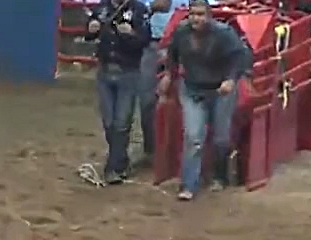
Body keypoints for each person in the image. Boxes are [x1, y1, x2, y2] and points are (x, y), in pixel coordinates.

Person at [158, 0, 251, 200]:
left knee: (221, 137)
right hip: (192, 88)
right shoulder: (181, 32)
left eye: (200, 14)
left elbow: (241, 57)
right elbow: (172, 55)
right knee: (193, 137)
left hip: (220, 90)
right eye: (193, 14)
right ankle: (188, 184)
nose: (196, 18)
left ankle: (220, 175)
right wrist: (168, 75)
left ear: (209, 16)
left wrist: (231, 79)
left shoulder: (224, 33)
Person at [136, 0, 217, 166]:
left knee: (192, 98)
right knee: (148, 99)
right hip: (154, 42)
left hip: (191, 43)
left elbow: (213, 6)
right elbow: (136, 8)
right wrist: (150, 7)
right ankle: (153, 151)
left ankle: (193, 155)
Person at [83, 0, 152, 184]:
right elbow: (88, 35)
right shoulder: (101, 8)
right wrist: (91, 29)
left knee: (121, 122)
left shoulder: (139, 10)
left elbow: (144, 40)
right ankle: (120, 161)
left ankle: (113, 168)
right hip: (105, 70)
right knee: (108, 122)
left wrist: (130, 35)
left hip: (128, 71)